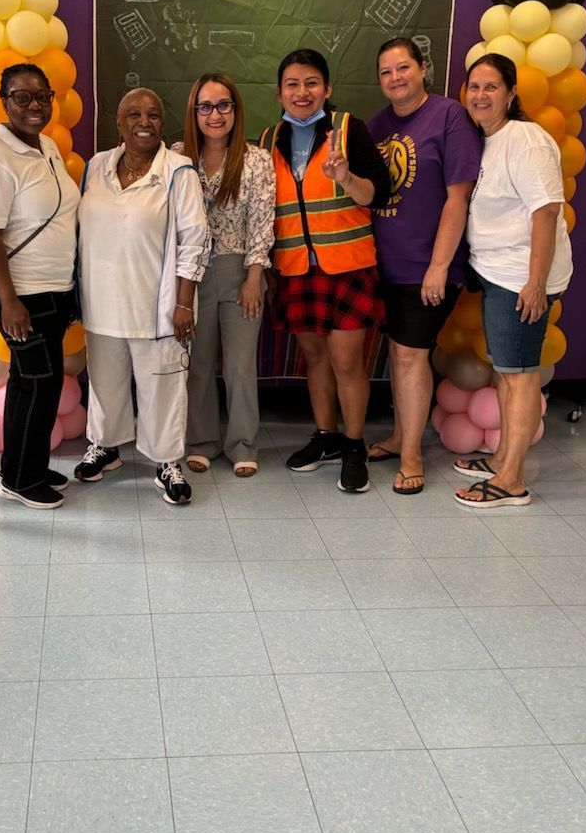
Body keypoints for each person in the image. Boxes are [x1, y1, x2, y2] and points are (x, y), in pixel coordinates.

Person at [261, 48, 391, 493]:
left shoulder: (349, 129)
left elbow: (377, 193)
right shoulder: (267, 139)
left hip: (348, 268)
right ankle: (326, 435)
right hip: (296, 268)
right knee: (313, 358)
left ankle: (354, 446)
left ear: (327, 89)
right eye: (293, 84)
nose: (302, 92)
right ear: (279, 92)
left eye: (312, 83)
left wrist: (346, 176)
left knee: (346, 362)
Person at [74, 87, 209, 505]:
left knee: (163, 389)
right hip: (101, 305)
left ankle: (167, 461)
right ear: (119, 124)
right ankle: (105, 446)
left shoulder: (179, 170)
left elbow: (196, 240)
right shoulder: (95, 167)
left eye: (152, 114)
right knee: (105, 384)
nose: (144, 122)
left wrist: (184, 302)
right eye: (134, 114)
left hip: (160, 309)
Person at [454, 52, 573, 509]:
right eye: (475, 87)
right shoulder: (489, 139)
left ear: (512, 93)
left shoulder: (527, 139)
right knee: (507, 371)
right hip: (498, 272)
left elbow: (546, 211)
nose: (481, 96)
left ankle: (511, 481)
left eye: (492, 87)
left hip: (520, 277)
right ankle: (503, 457)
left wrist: (535, 283)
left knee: (520, 376)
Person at [366, 37, 481, 494]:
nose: (395, 78)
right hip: (385, 267)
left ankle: (412, 455)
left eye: (403, 68)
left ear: (422, 68)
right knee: (399, 354)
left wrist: (440, 265)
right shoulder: (375, 126)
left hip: (428, 268)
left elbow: (459, 196)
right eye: (386, 72)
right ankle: (400, 436)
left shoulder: (449, 115)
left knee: (412, 356)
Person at [0, 63, 80, 509]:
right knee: (37, 384)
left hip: (54, 289)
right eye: (22, 97)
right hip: (23, 295)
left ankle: (24, 463)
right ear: (4, 101)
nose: (34, 106)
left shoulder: (47, 146)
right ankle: (19, 477)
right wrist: (10, 300)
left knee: (34, 383)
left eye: (42, 96)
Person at [173, 72, 275, 477]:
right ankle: (200, 440)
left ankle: (242, 443)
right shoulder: (178, 156)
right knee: (198, 362)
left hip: (240, 271)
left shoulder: (256, 160)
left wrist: (254, 279)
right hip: (191, 275)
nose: (215, 115)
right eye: (206, 106)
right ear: (194, 112)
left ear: (235, 110)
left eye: (223, 105)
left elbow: (262, 223)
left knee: (239, 364)